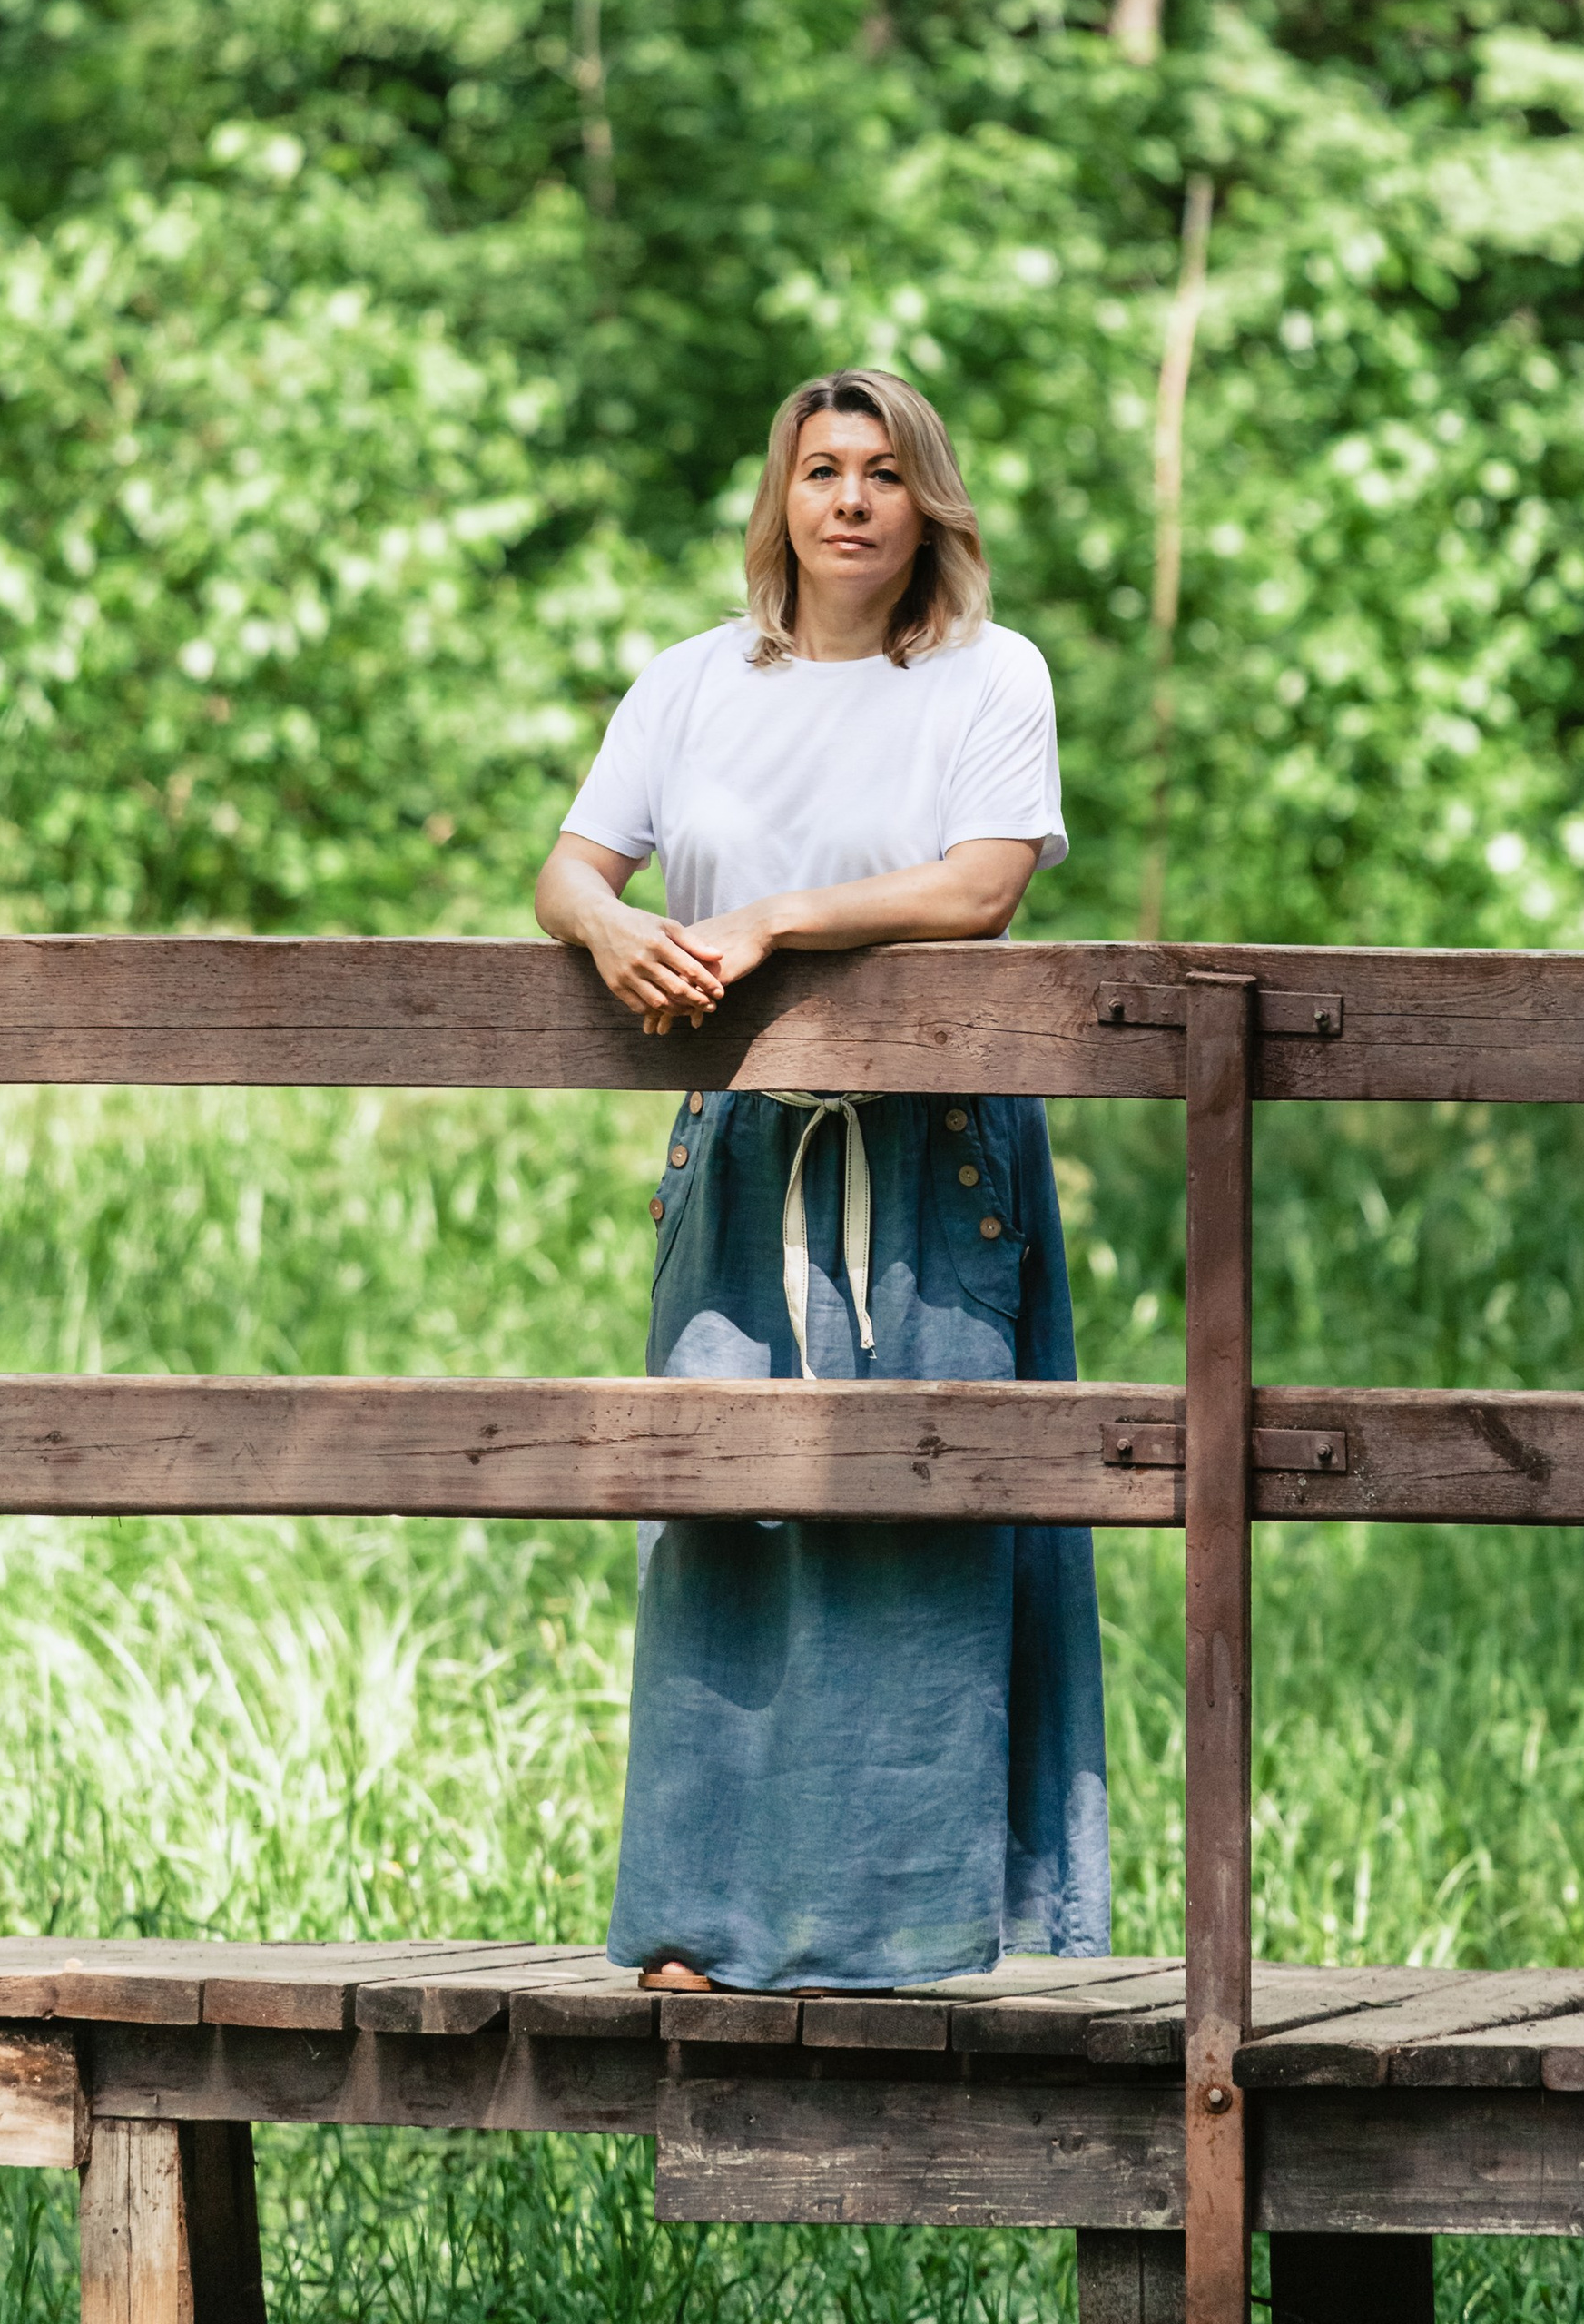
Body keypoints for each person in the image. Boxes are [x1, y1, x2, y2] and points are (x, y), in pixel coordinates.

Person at [534, 368, 1109, 1994]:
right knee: (723, 1510)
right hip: (738, 1150)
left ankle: (919, 1935)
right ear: (780, 501)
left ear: (930, 503)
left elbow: (983, 886)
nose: (850, 498)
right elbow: (569, 865)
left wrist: (772, 919)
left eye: (883, 472)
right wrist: (611, 928)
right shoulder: (692, 680)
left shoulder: (990, 671)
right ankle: (702, 1923)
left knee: (929, 1516)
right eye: (820, 470)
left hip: (938, 1157)